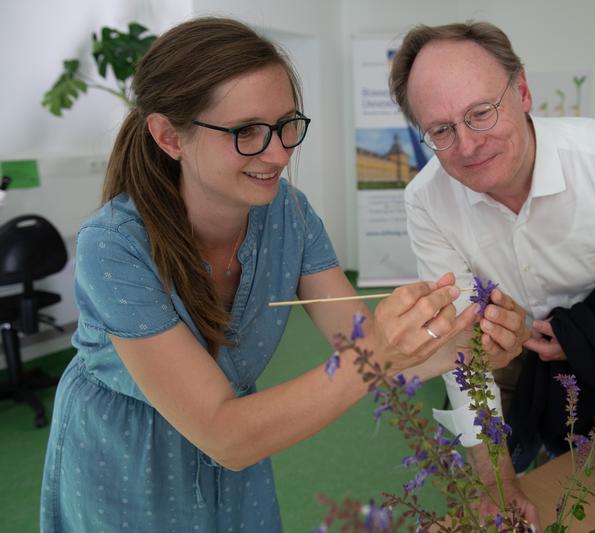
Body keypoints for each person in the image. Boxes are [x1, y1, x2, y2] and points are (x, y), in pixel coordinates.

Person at [40, 17, 482, 532]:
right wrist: (378, 352)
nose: (279, 153)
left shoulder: (289, 214)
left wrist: (471, 345)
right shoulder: (113, 245)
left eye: (286, 124)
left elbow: (366, 347)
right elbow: (224, 433)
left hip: (242, 451)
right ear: (169, 136)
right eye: (246, 131)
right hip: (127, 463)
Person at [389, 20, 595, 518]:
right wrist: (496, 480)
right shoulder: (427, 201)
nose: (469, 146)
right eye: (442, 130)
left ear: (522, 91)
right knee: (497, 495)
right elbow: (462, 348)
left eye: (481, 113)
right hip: (504, 359)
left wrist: (581, 335)